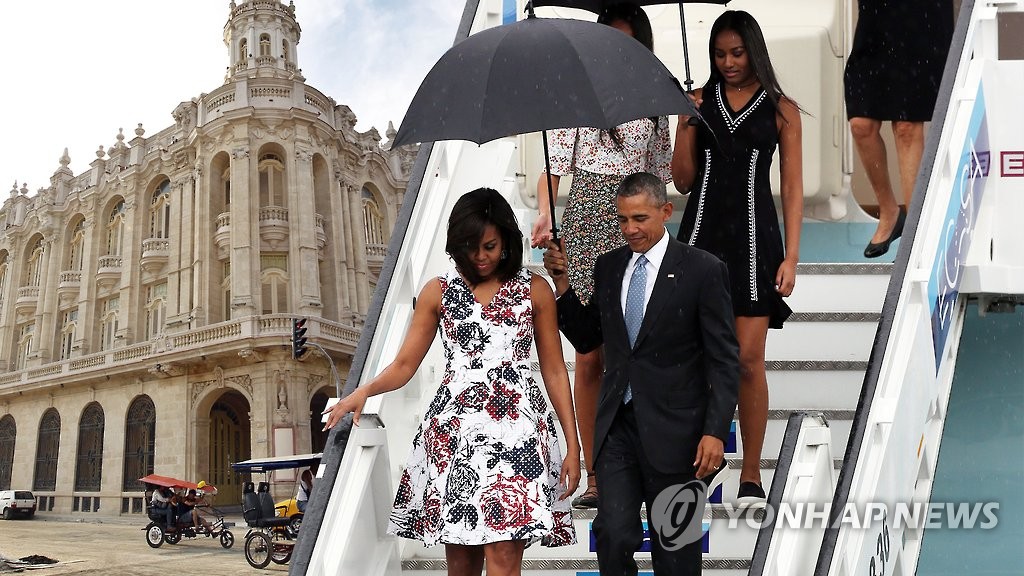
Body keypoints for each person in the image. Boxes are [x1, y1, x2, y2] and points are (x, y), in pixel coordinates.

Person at [325, 188, 581, 576]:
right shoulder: (438, 291)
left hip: (518, 436)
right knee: (461, 565)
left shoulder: (535, 290)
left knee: (504, 558)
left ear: (507, 240)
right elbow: (405, 363)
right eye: (470, 246)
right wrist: (361, 393)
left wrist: (573, 445)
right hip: (453, 438)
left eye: (490, 245)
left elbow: (555, 370)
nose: (481, 256)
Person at [543, 172, 739, 576]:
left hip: (680, 432)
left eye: (640, 219)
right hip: (618, 428)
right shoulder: (609, 267)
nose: (629, 229)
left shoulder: (703, 269)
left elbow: (724, 359)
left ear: (665, 212)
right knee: (613, 534)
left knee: (676, 554)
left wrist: (716, 430)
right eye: (622, 220)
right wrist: (562, 286)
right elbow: (587, 338)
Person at [529, 1, 672, 510]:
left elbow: (661, 175)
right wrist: (546, 214)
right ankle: (594, 472)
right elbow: (553, 172)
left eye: (627, 39)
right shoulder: (577, 97)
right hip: (589, 215)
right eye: (610, 38)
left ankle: (643, 465)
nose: (618, 49)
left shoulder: (655, 99)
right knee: (590, 352)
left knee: (636, 349)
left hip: (636, 219)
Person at [670, 9, 803, 508]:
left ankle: (751, 474)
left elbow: (791, 186)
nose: (728, 62)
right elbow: (681, 180)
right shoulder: (698, 103)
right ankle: (703, 461)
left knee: (748, 361)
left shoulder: (781, 108)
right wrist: (685, 122)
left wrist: (792, 255)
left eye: (737, 53)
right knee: (701, 358)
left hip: (754, 242)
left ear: (754, 50)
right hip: (699, 239)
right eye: (720, 54)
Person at [845, 0, 954, 258]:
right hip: (877, 15)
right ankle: (890, 211)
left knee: (906, 126)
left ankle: (917, 237)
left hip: (921, 13)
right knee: (861, 124)